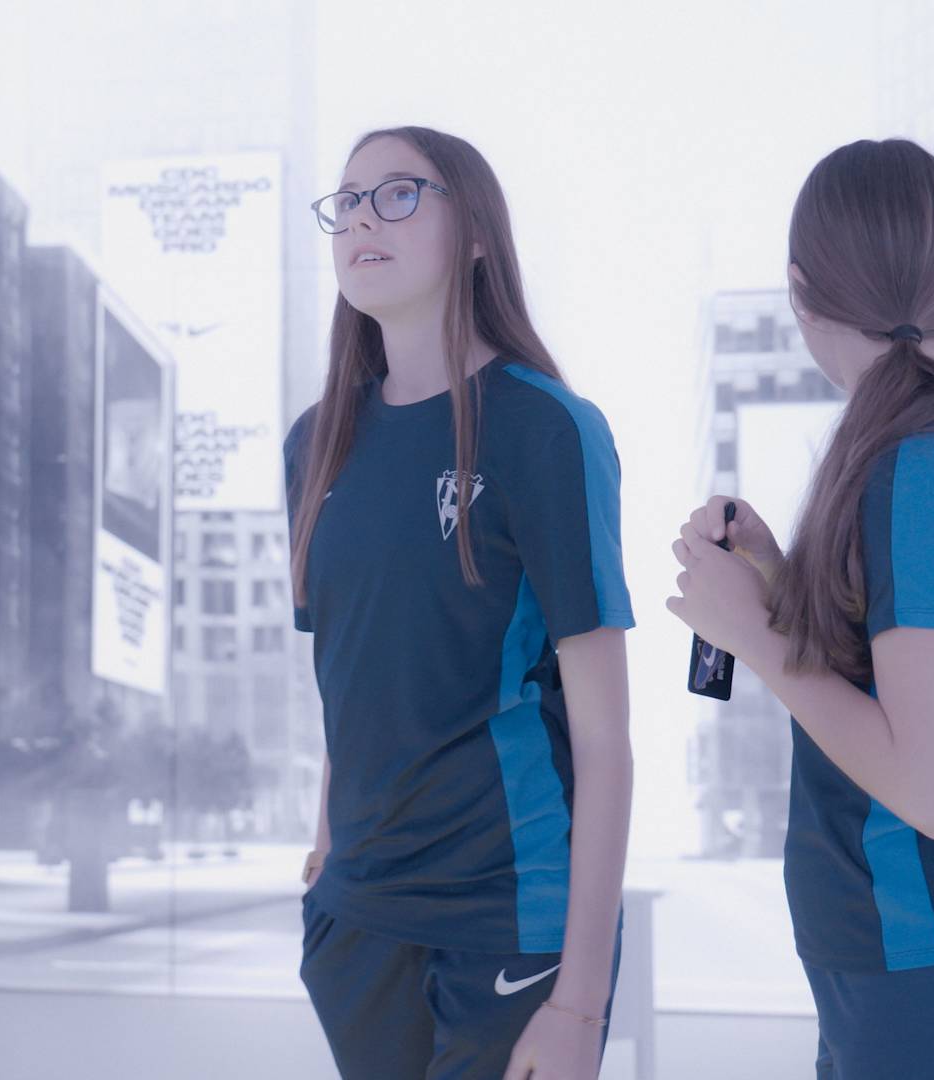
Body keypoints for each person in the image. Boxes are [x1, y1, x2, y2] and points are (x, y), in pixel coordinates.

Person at [667, 138, 934, 1079]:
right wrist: (777, 581)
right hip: (906, 981)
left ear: (800, 293)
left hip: (933, 983)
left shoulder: (919, 470)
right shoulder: (920, 455)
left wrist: (758, 640)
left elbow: (932, 793)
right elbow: (888, 694)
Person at [287, 126, 634, 1080]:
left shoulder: (546, 428)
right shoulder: (315, 445)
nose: (362, 215)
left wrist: (580, 1003)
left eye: (399, 193)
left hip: (507, 921)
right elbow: (352, 675)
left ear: (476, 231)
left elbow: (605, 742)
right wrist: (325, 851)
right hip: (357, 923)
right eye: (347, 200)